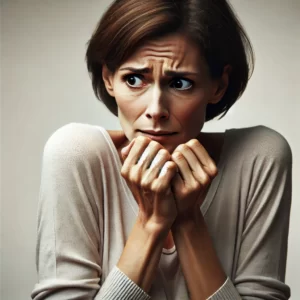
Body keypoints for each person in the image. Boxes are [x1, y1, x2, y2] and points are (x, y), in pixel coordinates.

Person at [31, 0, 293, 299]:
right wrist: (152, 223)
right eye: (134, 79)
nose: (156, 110)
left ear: (218, 86)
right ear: (108, 79)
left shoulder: (259, 157)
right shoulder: (75, 154)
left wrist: (189, 220)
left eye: (180, 83)